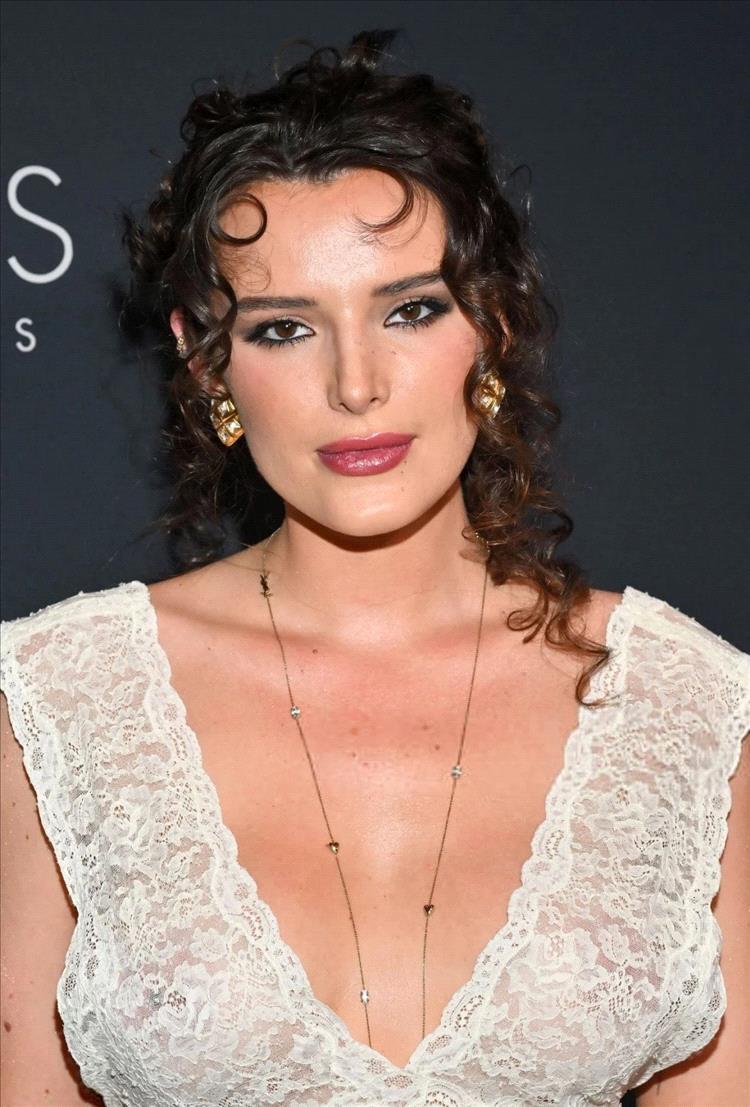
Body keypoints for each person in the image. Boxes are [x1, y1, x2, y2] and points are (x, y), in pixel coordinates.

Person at [1, 28, 748, 1107]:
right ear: (206, 361)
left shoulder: (683, 702)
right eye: (283, 330)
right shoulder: (57, 700)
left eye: (410, 309)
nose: (357, 385)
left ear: (492, 324)